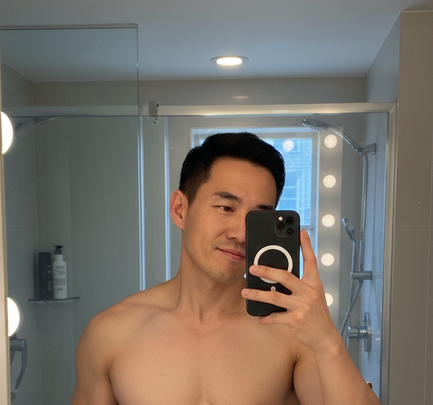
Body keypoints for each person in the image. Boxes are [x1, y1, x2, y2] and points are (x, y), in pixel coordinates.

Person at [71, 132, 381, 405]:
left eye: (257, 217)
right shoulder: (110, 334)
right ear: (180, 209)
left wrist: (327, 341)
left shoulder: (291, 332)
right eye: (225, 207)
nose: (241, 234)